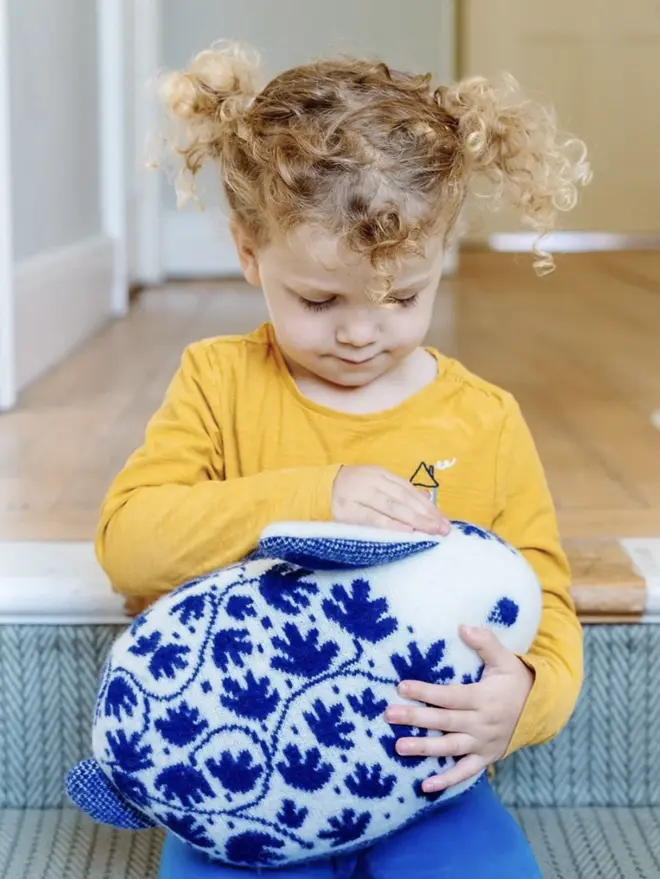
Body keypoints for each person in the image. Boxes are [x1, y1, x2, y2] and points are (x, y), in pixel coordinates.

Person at [96, 42, 590, 878]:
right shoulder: (217, 384)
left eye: (403, 296)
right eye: (319, 300)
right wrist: (312, 496)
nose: (362, 333)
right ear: (249, 251)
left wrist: (522, 701)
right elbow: (128, 541)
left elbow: (545, 598)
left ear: (442, 260)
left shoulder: (484, 420)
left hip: (425, 775)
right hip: (244, 777)